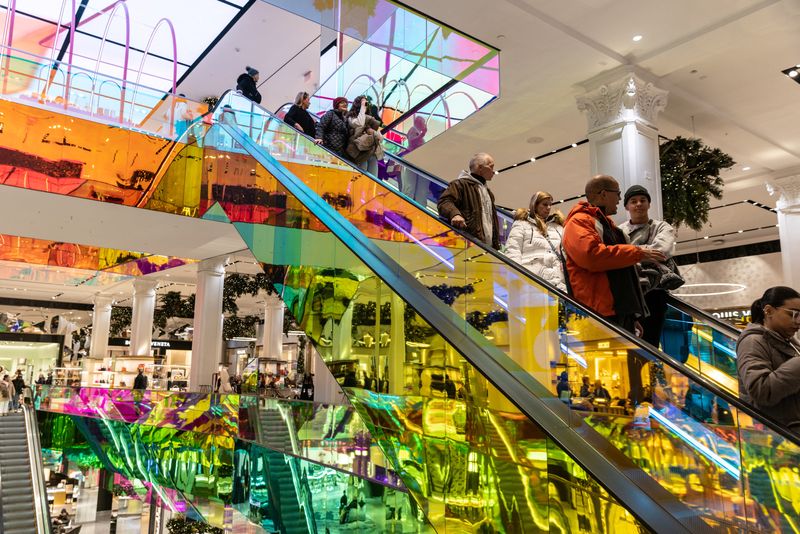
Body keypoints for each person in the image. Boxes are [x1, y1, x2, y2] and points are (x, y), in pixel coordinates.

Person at [562, 175, 665, 404]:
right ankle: (612, 422)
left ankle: (636, 418)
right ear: (602, 194)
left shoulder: (605, 224)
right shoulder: (579, 222)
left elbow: (619, 272)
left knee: (630, 373)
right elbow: (591, 256)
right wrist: (638, 252)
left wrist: (632, 311)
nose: (620, 199)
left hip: (618, 310)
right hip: (599, 312)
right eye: (617, 193)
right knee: (607, 373)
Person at [619, 185, 679, 348]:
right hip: (629, 292)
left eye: (642, 200)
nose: (638, 204)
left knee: (651, 343)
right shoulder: (619, 230)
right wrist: (645, 252)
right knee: (628, 344)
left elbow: (663, 250)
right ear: (627, 206)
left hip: (654, 293)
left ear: (649, 204)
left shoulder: (662, 227)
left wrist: (631, 254)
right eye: (633, 201)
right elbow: (616, 257)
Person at [737, 286, 800, 431]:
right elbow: (761, 391)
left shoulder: (787, 341)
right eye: (793, 314)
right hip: (779, 436)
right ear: (769, 311)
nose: (798, 322)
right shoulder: (752, 341)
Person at [504, 191, 566, 291]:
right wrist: (517, 276)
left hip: (559, 280)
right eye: (545, 204)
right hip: (533, 279)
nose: (549, 208)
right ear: (535, 205)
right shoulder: (521, 224)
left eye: (550, 205)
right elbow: (513, 250)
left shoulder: (557, 227)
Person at [437, 152, 500, 249]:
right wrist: (455, 214)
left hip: (488, 248)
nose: (493, 171)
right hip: (468, 245)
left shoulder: (488, 192)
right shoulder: (460, 185)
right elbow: (444, 201)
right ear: (480, 168)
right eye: (491, 167)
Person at [345, 95, 384, 174]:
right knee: (361, 178)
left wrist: (373, 132)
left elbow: (381, 138)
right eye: (363, 102)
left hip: (372, 153)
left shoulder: (371, 120)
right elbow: (360, 123)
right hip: (360, 152)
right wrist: (362, 107)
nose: (366, 104)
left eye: (366, 103)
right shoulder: (351, 117)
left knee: (373, 179)